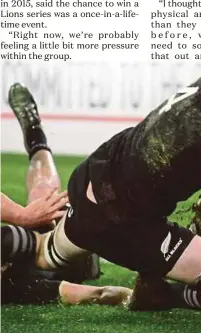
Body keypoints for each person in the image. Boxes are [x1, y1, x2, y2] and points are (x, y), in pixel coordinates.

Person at [21, 24, 201, 312]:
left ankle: (36, 143)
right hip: (118, 219)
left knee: (44, 252)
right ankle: (158, 295)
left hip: (101, 175)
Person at [1, 83, 131, 306]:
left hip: (52, 246)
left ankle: (35, 137)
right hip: (65, 251)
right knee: (46, 197)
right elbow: (100, 293)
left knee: (44, 195)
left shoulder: (7, 241)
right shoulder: (16, 287)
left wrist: (24, 216)